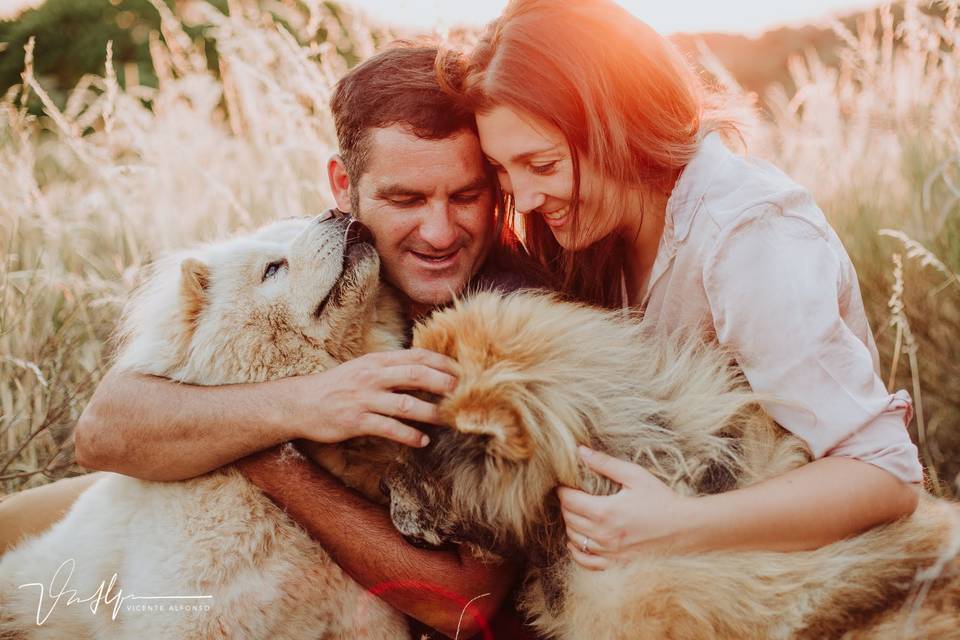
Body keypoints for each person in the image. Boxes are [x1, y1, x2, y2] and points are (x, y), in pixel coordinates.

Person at [0, 43, 547, 639]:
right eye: (405, 199)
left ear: (496, 186)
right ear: (344, 186)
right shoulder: (329, 250)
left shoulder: (508, 321)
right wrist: (306, 404)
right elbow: (105, 430)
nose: (440, 233)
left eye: (466, 196)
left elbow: (460, 605)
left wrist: (266, 457)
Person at [437, 0, 923, 572]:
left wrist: (677, 527)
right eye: (502, 170)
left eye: (542, 164)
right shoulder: (593, 228)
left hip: (815, 579)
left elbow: (885, 473)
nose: (526, 199)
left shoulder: (748, 240)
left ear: (620, 126)